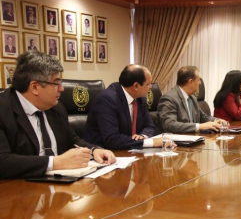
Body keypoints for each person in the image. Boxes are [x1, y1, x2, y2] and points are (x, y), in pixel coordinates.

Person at [0, 51, 116, 179]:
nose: (62, 89)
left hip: (60, 184)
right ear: (35, 87)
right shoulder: (4, 110)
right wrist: (55, 162)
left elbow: (71, 139)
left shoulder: (55, 107)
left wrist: (94, 150)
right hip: (17, 189)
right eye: (56, 83)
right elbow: (3, 161)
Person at [84, 64, 164, 150]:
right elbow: (112, 139)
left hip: (130, 150)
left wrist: (142, 136)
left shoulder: (140, 99)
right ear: (136, 86)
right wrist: (150, 142)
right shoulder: (107, 100)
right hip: (104, 153)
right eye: (148, 84)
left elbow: (149, 126)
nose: (151, 87)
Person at [157, 66, 226, 133]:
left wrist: (217, 120)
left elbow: (202, 117)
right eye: (198, 80)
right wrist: (199, 126)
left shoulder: (192, 98)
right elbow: (170, 125)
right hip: (175, 142)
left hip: (193, 138)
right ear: (190, 82)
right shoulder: (169, 98)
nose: (200, 83)